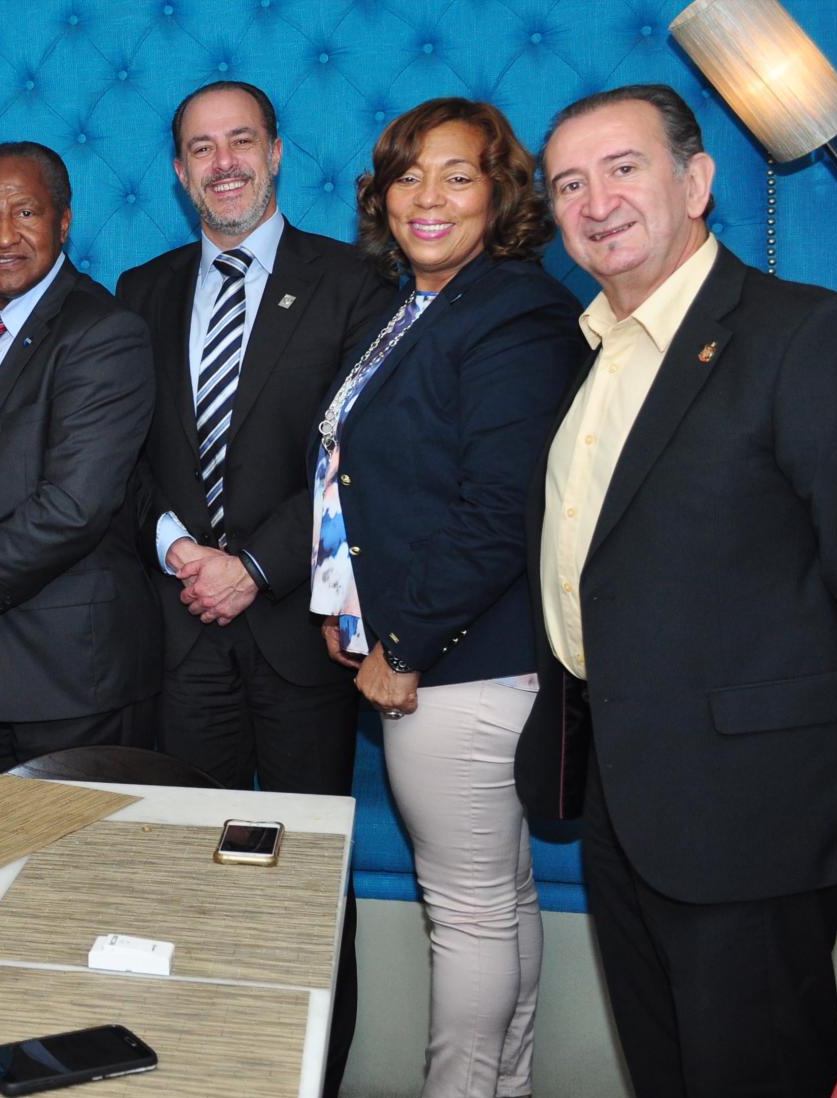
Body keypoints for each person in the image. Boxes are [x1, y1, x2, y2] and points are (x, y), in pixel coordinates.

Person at [518, 83, 837, 1096]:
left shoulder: (808, 338)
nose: (593, 200)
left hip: (753, 808)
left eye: (621, 167)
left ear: (695, 181)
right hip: (622, 793)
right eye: (566, 183)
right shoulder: (591, 357)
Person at [113, 80, 389, 1098]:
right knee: (193, 874)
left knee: (310, 883)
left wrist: (253, 565)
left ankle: (315, 1075)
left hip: (294, 635)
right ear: (178, 171)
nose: (221, 162)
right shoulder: (138, 291)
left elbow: (349, 449)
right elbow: (120, 451)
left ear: (274, 153)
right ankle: (205, 1071)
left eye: (240, 141)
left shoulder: (354, 283)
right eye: (199, 147)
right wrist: (175, 545)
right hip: (180, 631)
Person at [310, 98, 581, 1098]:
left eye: (455, 176)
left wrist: (403, 642)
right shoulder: (412, 307)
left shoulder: (511, 311)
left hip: (463, 663)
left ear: (498, 195)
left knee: (463, 911)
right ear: (379, 195)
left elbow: (497, 507)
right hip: (443, 653)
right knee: (497, 902)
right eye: (407, 176)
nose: (426, 197)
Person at [0, 142, 159, 770]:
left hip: (68, 674)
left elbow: (71, 509)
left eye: (25, 212)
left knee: (71, 867)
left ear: (64, 220)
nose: (3, 236)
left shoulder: (103, 333)